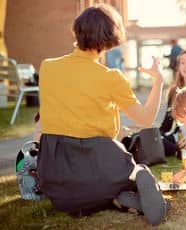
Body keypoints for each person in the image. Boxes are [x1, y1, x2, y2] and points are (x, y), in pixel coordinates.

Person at [37, 4, 168, 225]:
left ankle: (112, 198)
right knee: (116, 157)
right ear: (110, 37)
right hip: (97, 165)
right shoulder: (111, 78)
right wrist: (159, 81)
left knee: (82, 191)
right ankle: (135, 177)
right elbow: (146, 119)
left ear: (77, 31)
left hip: (56, 179)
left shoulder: (47, 67)